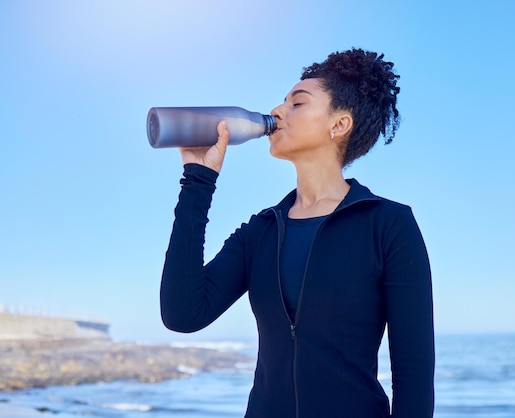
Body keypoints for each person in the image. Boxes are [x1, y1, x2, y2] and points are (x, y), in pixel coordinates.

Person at [159, 47, 435, 418]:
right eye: (282, 102)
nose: (277, 112)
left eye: (297, 104)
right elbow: (182, 313)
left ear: (339, 124)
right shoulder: (261, 231)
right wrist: (197, 180)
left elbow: (413, 376)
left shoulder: (388, 225)